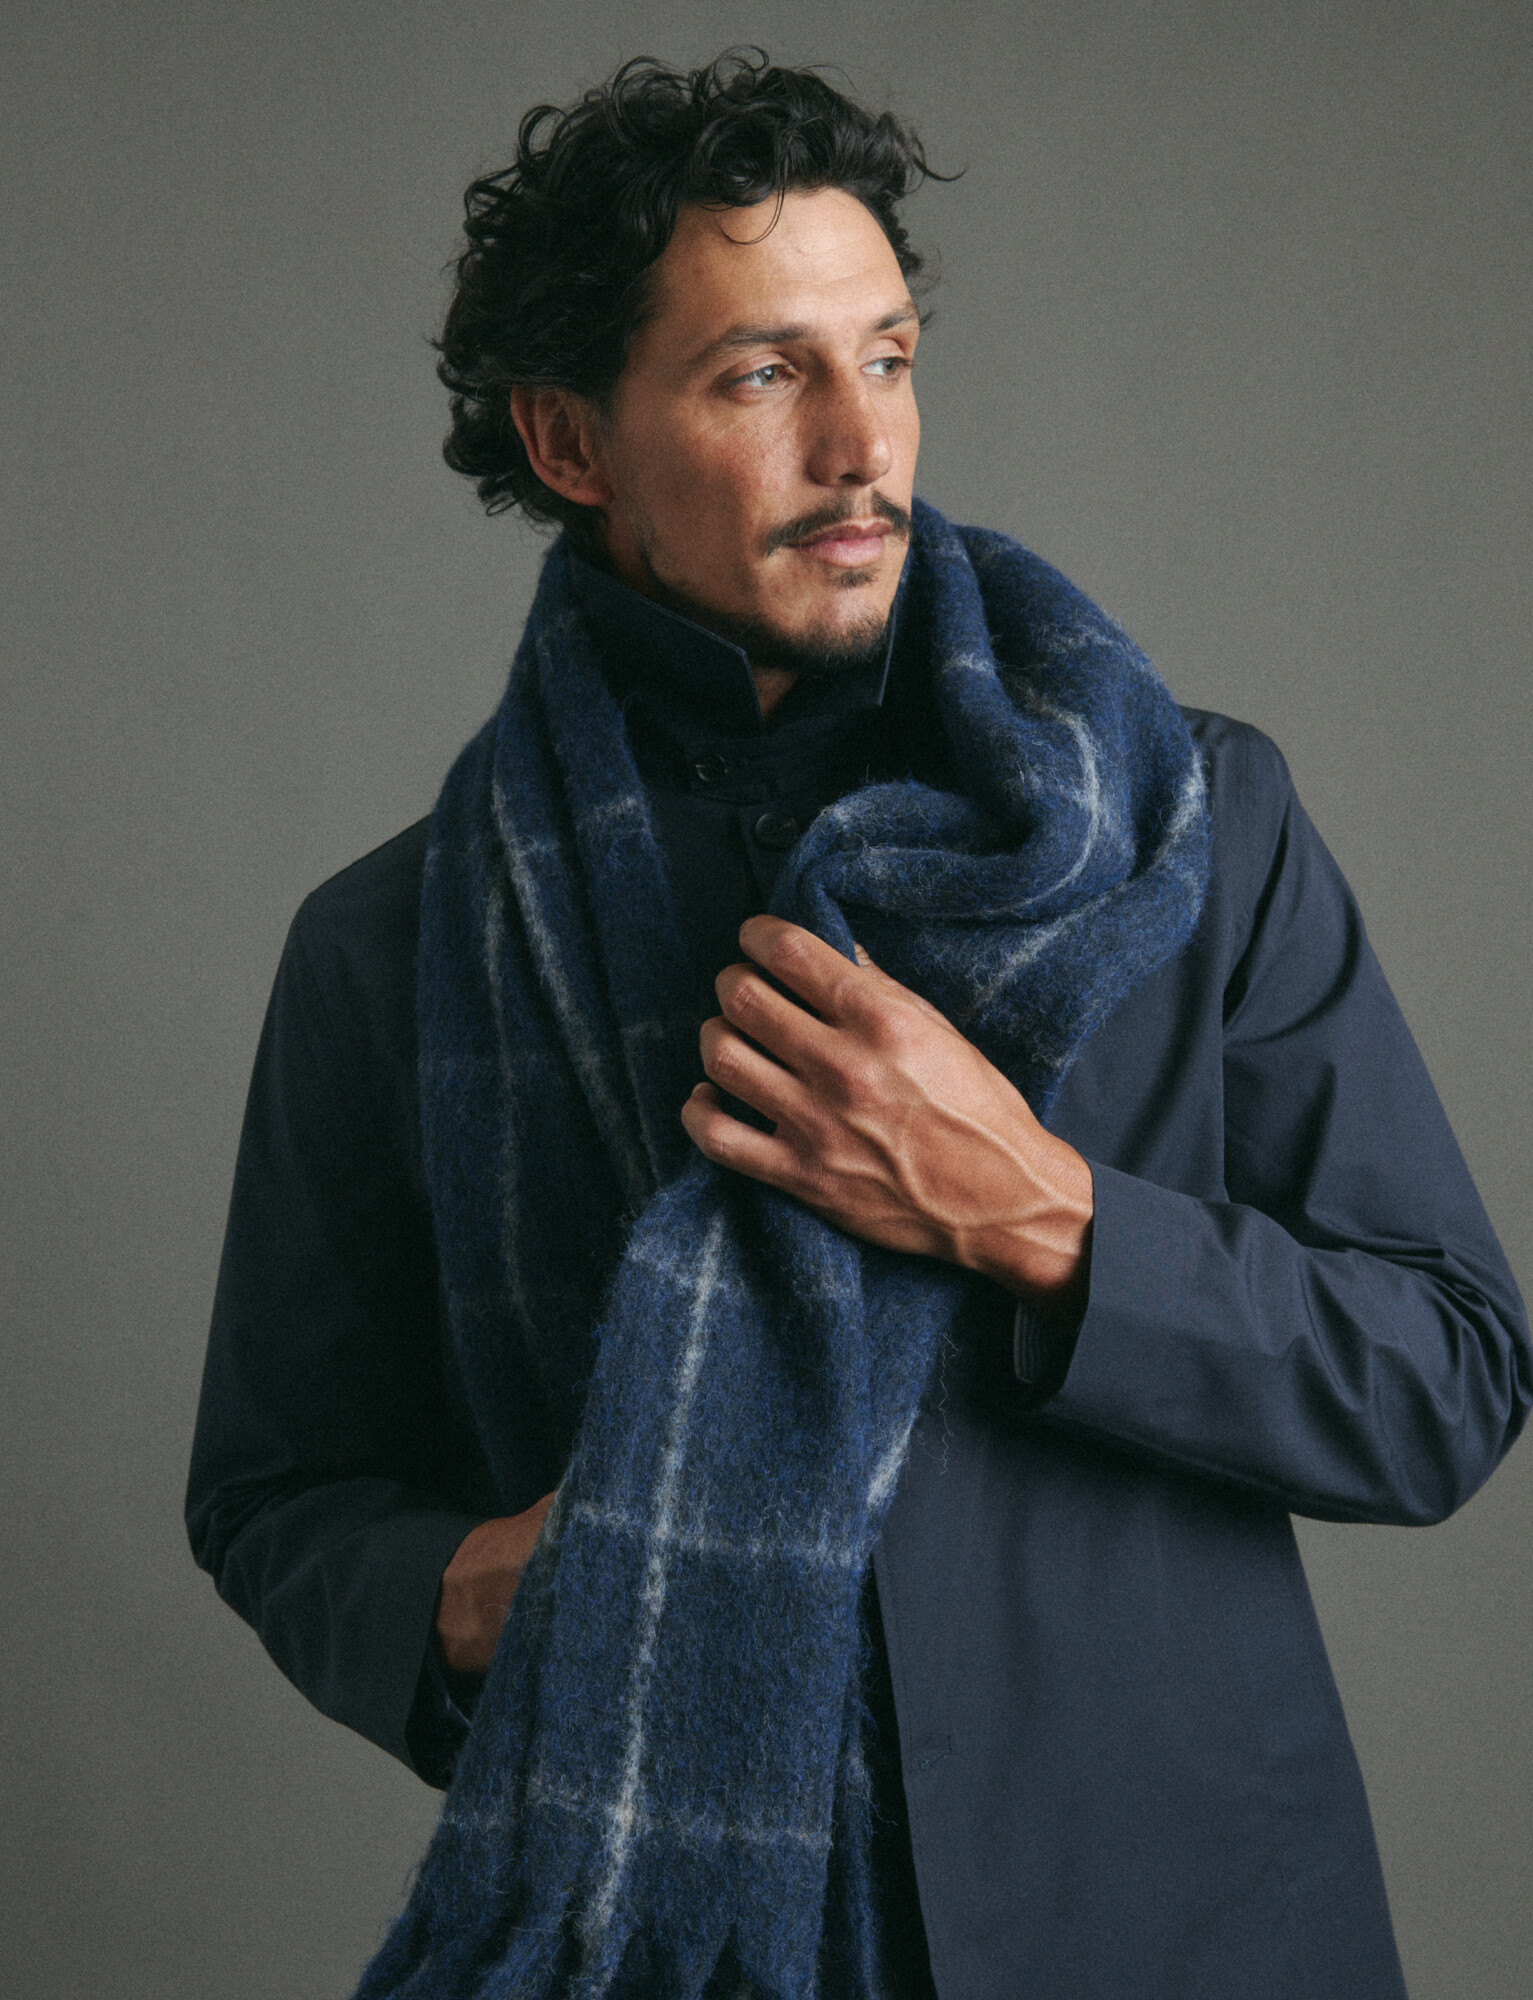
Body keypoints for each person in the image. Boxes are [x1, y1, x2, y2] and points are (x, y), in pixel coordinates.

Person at [186, 51, 1529, 2000]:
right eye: (761, 375)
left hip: (1175, 1929)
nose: (859, 444)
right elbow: (277, 1491)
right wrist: (470, 1594)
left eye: (885, 358)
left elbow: (1445, 1375)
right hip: (679, 1952)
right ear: (569, 440)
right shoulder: (391, 948)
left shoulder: (1187, 825)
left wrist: (1044, 1218)